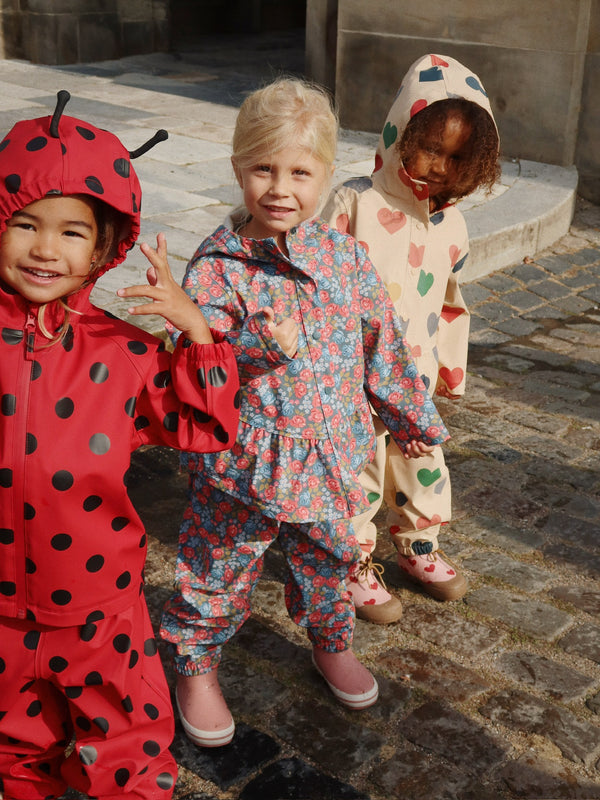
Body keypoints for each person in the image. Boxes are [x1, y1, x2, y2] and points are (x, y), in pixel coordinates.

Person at [159, 77, 449, 748]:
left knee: (330, 557)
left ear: (325, 176)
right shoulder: (217, 266)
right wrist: (257, 346)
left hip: (329, 456)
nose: (280, 188)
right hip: (243, 462)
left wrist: (409, 420)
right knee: (218, 564)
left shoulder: (345, 259)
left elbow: (383, 345)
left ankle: (331, 641)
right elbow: (194, 370)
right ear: (239, 169)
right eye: (263, 168)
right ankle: (196, 664)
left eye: (299, 171)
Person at [0, 92, 240, 800]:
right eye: (23, 224)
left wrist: (196, 331)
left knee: (129, 752)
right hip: (3, 614)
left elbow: (205, 425)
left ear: (106, 246)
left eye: (73, 232)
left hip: (102, 612)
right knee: (16, 748)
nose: (46, 248)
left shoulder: (126, 352)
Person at [322, 54, 500, 623]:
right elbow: (319, 283)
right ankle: (348, 558)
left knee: (421, 461)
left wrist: (450, 368)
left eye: (456, 157)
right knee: (357, 466)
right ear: (402, 131)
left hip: (414, 376)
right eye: (430, 147)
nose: (440, 166)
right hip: (352, 376)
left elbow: (449, 300)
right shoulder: (356, 202)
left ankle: (418, 543)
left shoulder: (452, 224)